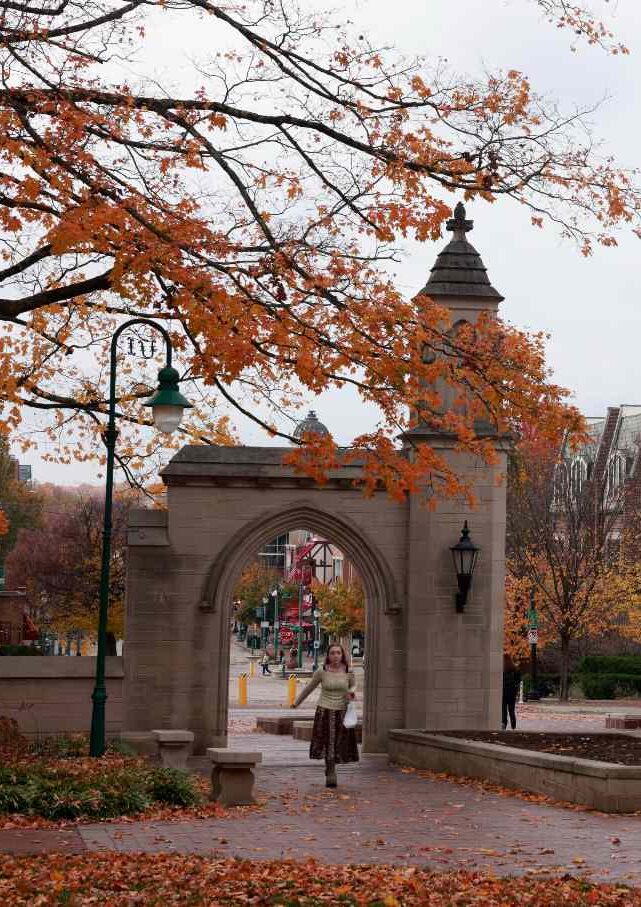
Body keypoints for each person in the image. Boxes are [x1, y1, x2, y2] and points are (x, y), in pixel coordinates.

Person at [291, 643, 359, 788]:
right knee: (328, 741)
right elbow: (309, 688)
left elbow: (353, 686)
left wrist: (351, 693)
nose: (335, 656)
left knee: (338, 742)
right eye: (333, 653)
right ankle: (331, 770)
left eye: (338, 653)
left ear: (342, 655)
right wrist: (296, 702)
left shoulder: (349, 671)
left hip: (342, 711)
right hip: (324, 710)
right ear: (328, 655)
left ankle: (332, 766)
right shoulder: (321, 672)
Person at [502, 653, 521, 730]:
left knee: (503, 709)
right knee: (511, 709)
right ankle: (513, 725)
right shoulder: (515, 669)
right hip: (512, 692)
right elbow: (518, 681)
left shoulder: (502, 669)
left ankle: (504, 724)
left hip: (503, 692)